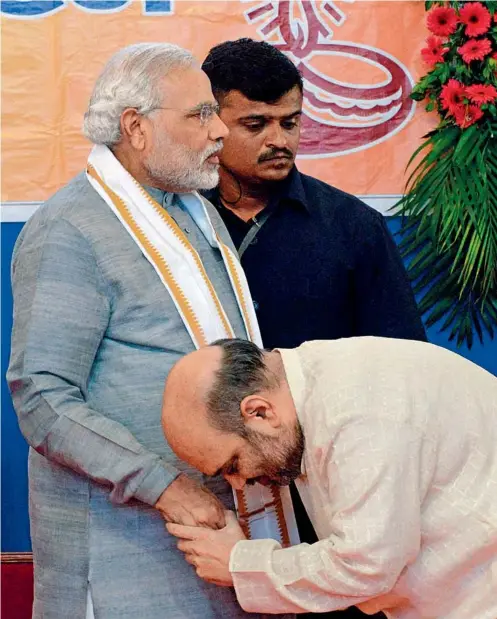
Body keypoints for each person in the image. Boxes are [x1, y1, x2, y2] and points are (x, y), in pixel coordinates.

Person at [7, 43, 290, 619]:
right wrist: (165, 487)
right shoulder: (68, 230)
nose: (218, 133)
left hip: (214, 533)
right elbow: (41, 398)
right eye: (200, 115)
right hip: (125, 546)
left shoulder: (193, 210)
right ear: (135, 127)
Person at [202, 38, 427, 619]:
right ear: (210, 122)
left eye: (292, 122)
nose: (280, 139)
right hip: (210, 485)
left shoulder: (354, 228)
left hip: (328, 488)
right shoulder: (172, 231)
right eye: (256, 123)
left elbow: (404, 369)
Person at [163, 337, 497, 619]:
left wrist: (240, 564)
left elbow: (367, 564)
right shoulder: (312, 384)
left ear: (260, 412)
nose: (237, 484)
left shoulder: (359, 412)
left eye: (233, 464)